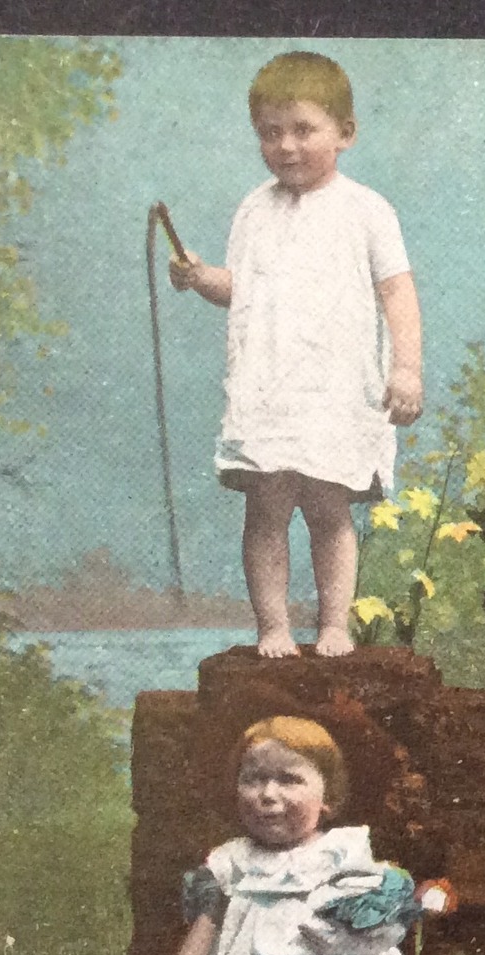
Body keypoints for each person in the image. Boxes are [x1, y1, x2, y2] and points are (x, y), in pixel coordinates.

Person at [169, 51, 424, 659]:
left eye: (304, 130)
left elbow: (398, 292)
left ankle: (335, 623)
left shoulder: (367, 210)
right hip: (269, 388)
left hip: (336, 387)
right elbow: (243, 291)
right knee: (266, 510)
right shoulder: (255, 209)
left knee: (329, 509)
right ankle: (274, 628)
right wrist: (202, 277)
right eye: (270, 132)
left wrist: (407, 368)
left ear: (345, 133)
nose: (286, 146)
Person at [123, 716, 429, 955]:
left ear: (328, 797)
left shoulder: (341, 850)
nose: (267, 794)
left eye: (288, 780)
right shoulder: (232, 859)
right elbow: (207, 924)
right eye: (253, 779)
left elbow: (372, 918)